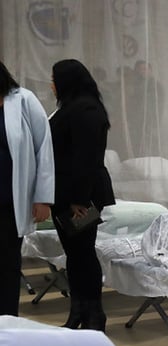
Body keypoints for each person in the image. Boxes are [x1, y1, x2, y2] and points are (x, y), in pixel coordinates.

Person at [49, 59, 115, 331]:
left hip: (80, 198)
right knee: (75, 255)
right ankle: (78, 311)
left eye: (54, 79)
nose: (51, 85)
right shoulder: (72, 107)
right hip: (67, 195)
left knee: (83, 254)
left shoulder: (86, 109)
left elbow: (85, 158)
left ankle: (94, 314)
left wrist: (78, 199)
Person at [0, 61, 54, 316]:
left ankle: (7, 320)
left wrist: (43, 198)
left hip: (12, 199)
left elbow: (43, 148)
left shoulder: (23, 100)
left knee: (8, 262)